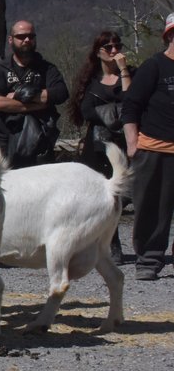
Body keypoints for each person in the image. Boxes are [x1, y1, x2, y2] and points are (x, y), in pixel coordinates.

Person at [70, 29, 132, 263]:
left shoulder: (131, 74)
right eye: (109, 47)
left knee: (126, 194)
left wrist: (124, 70)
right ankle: (111, 244)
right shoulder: (91, 81)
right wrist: (116, 114)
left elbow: (132, 100)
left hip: (126, 143)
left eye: (118, 46)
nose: (114, 51)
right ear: (98, 52)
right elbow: (86, 111)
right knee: (102, 197)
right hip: (97, 146)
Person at [122, 12, 174, 282]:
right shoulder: (154, 66)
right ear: (170, 36)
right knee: (151, 209)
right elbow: (131, 105)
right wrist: (132, 143)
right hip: (155, 148)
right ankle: (149, 260)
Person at [0, 20, 69, 169]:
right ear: (10, 39)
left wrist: (18, 96)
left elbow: (61, 93)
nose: (26, 40)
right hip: (7, 141)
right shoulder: (0, 70)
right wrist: (39, 103)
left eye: (30, 36)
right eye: (21, 36)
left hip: (41, 142)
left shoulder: (46, 68)